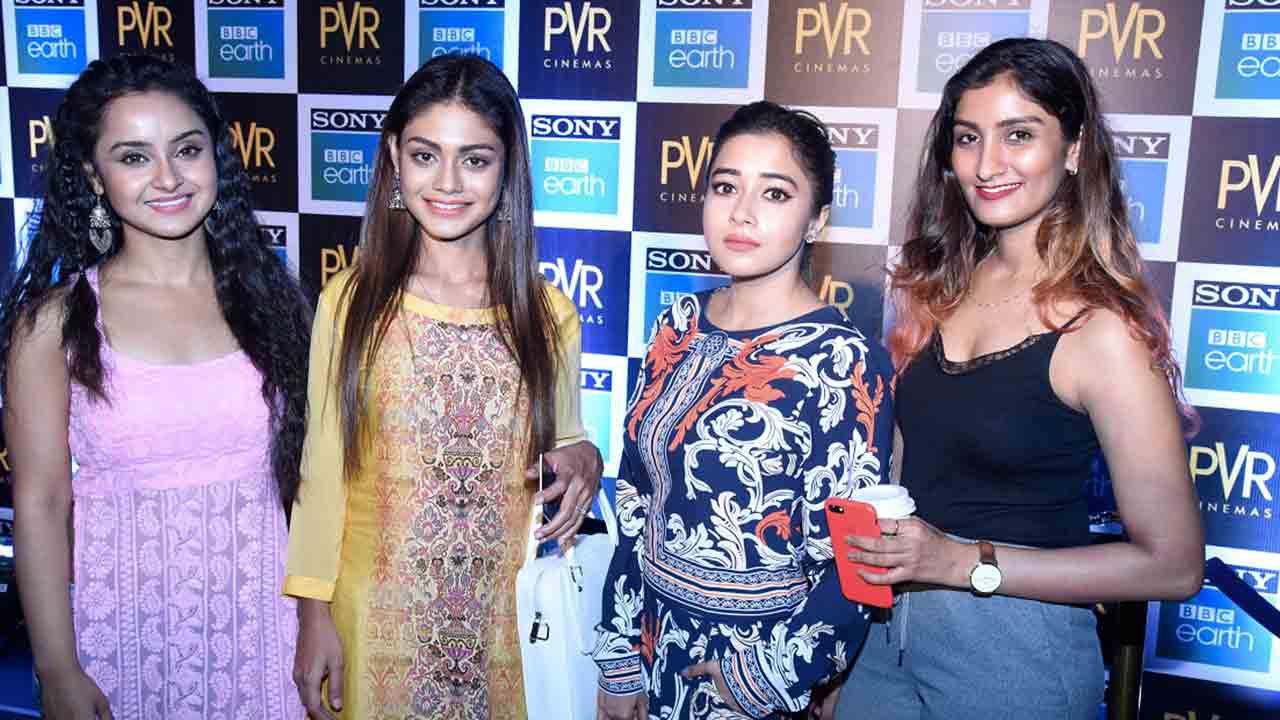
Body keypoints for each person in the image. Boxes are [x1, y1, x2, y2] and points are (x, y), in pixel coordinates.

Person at [833, 38, 1204, 720]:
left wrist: (960, 562)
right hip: (888, 638)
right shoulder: (937, 288)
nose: (987, 164)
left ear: (1074, 149)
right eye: (968, 137)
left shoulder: (1102, 329)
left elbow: (1174, 565)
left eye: (1019, 135)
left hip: (1017, 654)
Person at [284, 54, 604, 720]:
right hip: (377, 622)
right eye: (426, 155)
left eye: (475, 160)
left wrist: (586, 457)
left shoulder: (549, 315)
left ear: (508, 169)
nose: (448, 182)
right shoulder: (352, 302)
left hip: (504, 630)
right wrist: (313, 613)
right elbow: (322, 470)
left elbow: (565, 442)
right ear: (393, 158)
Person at [2, 55, 311, 718]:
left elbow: (310, 485)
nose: (168, 177)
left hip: (269, 634)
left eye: (187, 150)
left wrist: (319, 620)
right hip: (127, 645)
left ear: (215, 157)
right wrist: (57, 668)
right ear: (94, 176)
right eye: (134, 157)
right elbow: (41, 503)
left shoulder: (274, 304)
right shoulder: (53, 323)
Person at [594, 101, 894, 720]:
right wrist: (618, 658)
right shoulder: (676, 325)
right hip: (651, 653)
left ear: (817, 219)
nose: (742, 212)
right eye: (726, 186)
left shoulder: (843, 359)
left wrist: (765, 677)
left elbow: (858, 560)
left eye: (775, 193)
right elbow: (635, 502)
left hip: (750, 675)